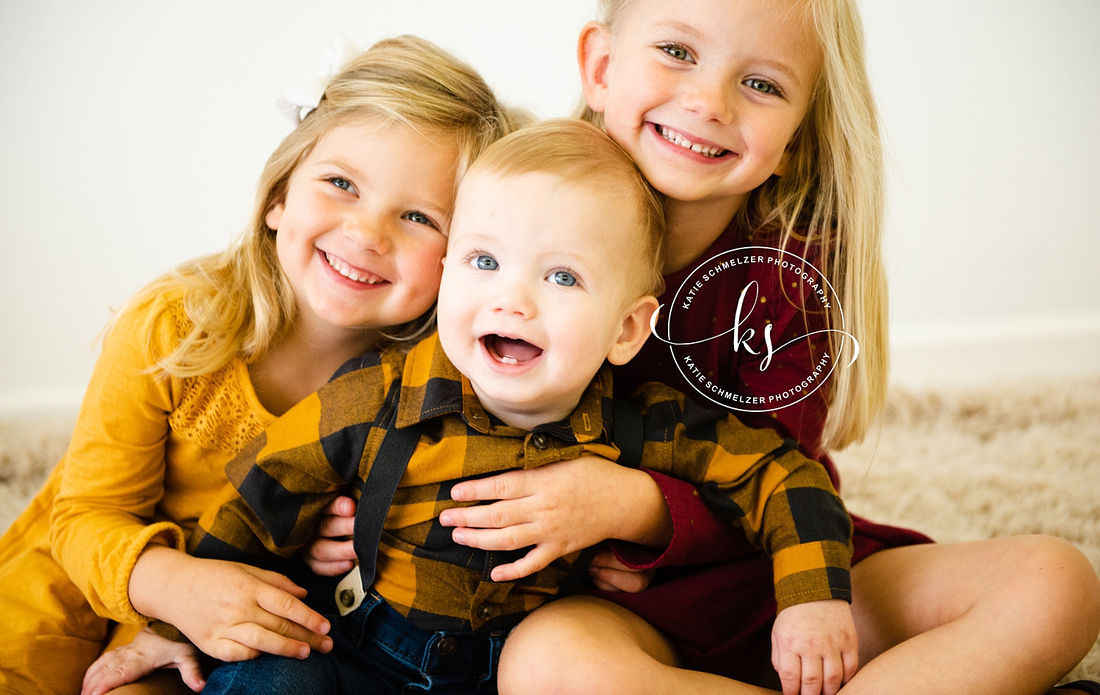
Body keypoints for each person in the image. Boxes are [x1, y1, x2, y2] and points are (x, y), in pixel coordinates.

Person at [427, 0, 1100, 694]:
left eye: (762, 84)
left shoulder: (788, 278)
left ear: (796, 136)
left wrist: (631, 504)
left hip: (784, 577)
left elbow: (785, 474)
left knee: (1055, 581)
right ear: (601, 65)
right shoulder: (515, 222)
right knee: (545, 668)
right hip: (619, 605)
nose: (707, 102)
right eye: (678, 52)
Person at [114, 118, 856, 695]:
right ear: (447, 276)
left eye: (562, 277)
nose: (513, 298)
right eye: (484, 262)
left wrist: (813, 600)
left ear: (629, 329)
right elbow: (261, 497)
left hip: (514, 674)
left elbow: (784, 476)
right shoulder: (377, 396)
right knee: (269, 676)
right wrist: (171, 620)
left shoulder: (640, 423)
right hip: (361, 654)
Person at [0, 34, 522, 695]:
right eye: (340, 184)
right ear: (279, 197)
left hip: (257, 618)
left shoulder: (431, 382)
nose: (366, 233)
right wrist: (177, 587)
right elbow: (86, 517)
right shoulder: (173, 328)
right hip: (99, 583)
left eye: (419, 216)